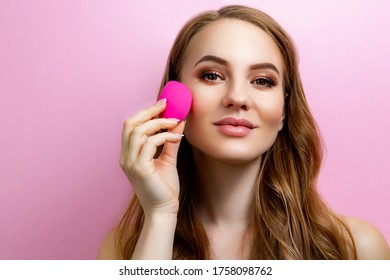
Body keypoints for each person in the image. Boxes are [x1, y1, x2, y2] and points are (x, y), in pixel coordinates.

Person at [97, 5, 390, 260]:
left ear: (284, 111)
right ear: (174, 98)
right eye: (211, 75)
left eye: (262, 81)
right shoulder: (125, 250)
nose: (238, 97)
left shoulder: (355, 250)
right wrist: (160, 215)